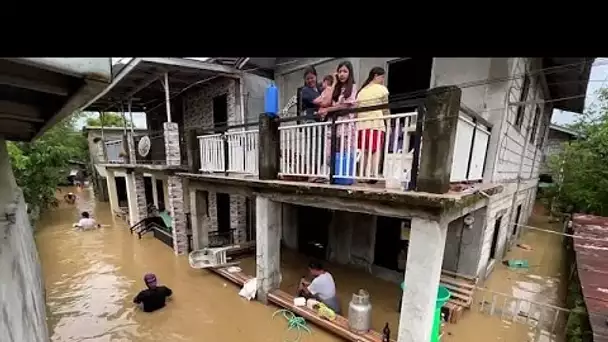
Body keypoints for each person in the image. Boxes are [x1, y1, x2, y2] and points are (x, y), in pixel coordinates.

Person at [319, 61, 358, 169]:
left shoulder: (352, 87)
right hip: (333, 124)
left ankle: (342, 175)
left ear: (350, 73)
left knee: (345, 152)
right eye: (339, 71)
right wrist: (334, 82)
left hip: (345, 125)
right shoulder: (336, 88)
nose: (342, 74)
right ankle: (329, 174)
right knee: (329, 152)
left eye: (345, 71)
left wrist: (328, 109)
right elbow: (326, 102)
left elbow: (345, 106)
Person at [356, 67, 390, 182]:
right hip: (376, 123)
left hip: (361, 124)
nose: (382, 80)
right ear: (376, 76)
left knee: (364, 150)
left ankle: (361, 175)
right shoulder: (382, 89)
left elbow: (357, 110)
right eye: (382, 77)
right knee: (376, 150)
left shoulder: (361, 91)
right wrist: (388, 122)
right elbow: (385, 109)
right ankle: (373, 174)